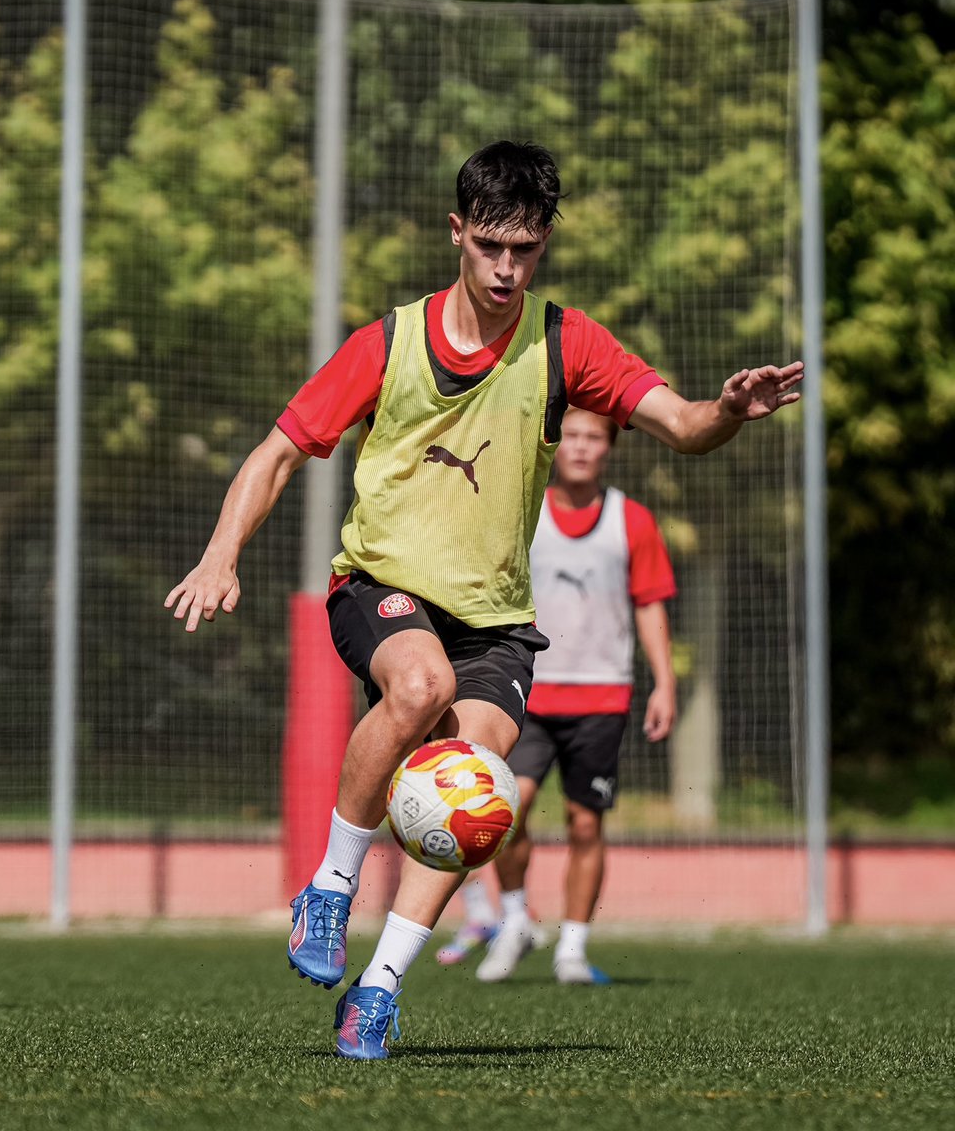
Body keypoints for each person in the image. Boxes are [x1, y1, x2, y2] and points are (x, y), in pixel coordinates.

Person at [164, 141, 803, 1061]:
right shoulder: (388, 343)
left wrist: (729, 410)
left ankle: (377, 989)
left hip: (496, 620)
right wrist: (221, 555)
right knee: (418, 686)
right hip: (379, 585)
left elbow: (682, 425)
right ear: (457, 232)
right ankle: (332, 886)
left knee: (475, 797)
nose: (507, 269)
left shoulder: (568, 342)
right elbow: (276, 453)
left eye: (526, 250)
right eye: (491, 246)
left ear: (544, 245)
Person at [463, 406, 677, 985]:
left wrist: (665, 683)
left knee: (586, 824)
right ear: (555, 445)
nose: (581, 447)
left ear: (609, 448)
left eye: (594, 438)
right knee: (507, 810)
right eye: (572, 436)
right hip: (527, 693)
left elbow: (650, 604)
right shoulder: (522, 513)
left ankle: (573, 949)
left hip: (602, 697)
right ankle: (515, 922)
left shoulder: (631, 520)